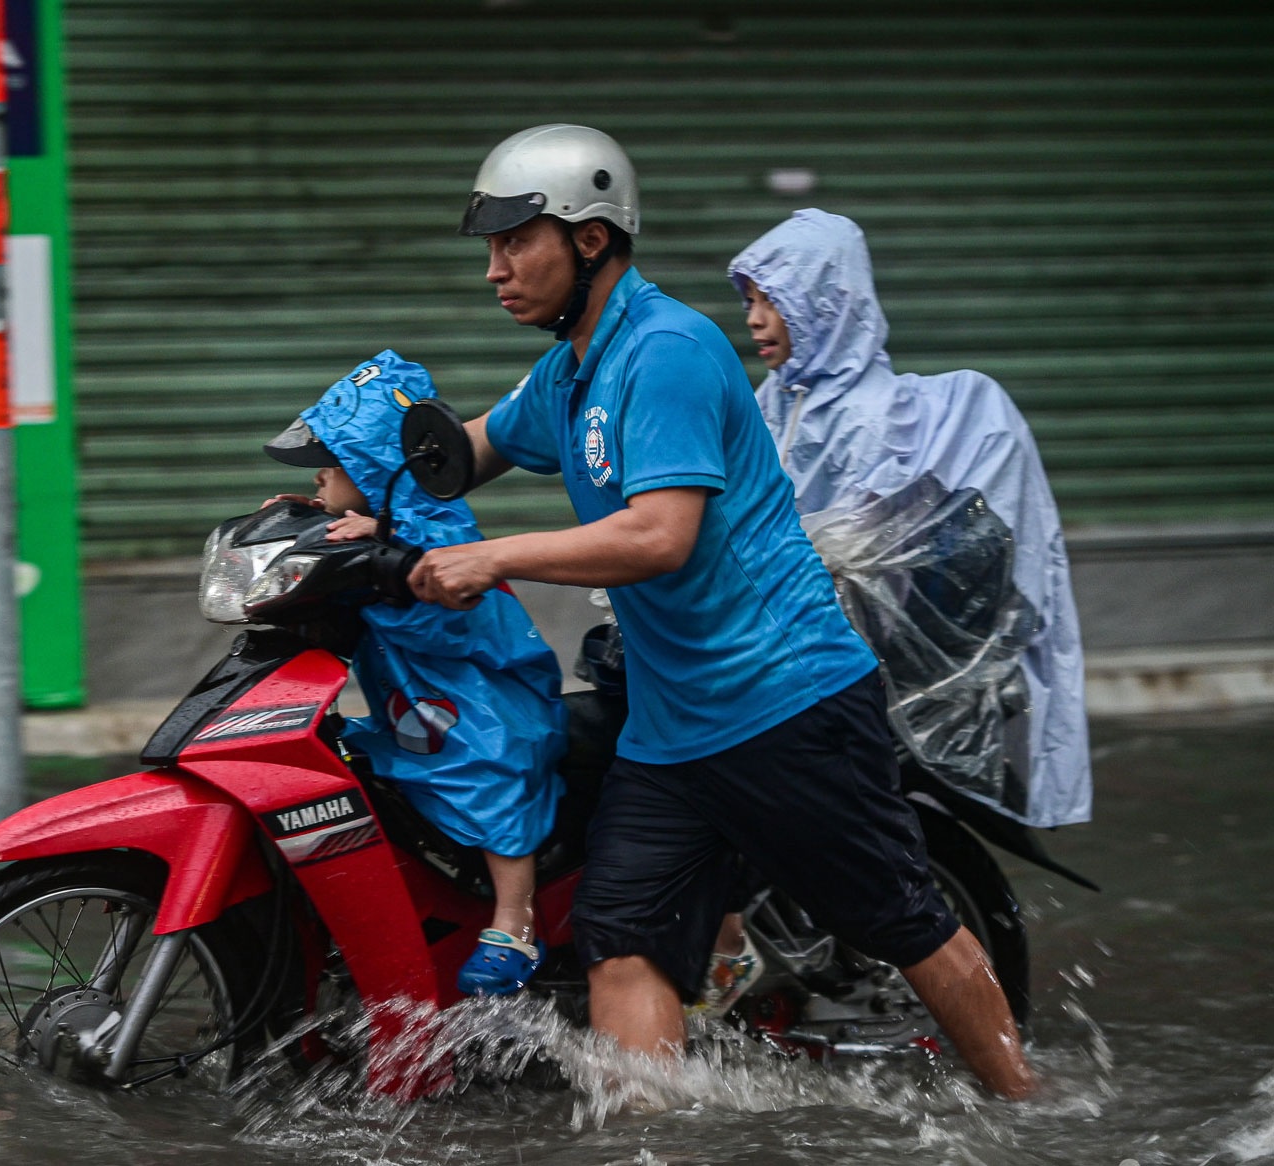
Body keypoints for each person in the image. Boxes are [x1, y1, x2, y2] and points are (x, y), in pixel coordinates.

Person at [407, 124, 1038, 1098]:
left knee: (898, 916)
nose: (493, 269)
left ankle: (1025, 1112)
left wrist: (492, 555)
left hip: (784, 704)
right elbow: (469, 448)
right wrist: (341, 493)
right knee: (622, 942)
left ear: (587, 240)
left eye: (513, 241)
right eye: (488, 248)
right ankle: (646, 1141)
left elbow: (659, 534)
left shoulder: (665, 352)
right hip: (673, 736)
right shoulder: (570, 369)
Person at [726, 207, 1091, 829]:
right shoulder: (774, 400)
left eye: (774, 301)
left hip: (837, 668)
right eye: (751, 300)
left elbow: (866, 557)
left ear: (824, 302)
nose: (755, 319)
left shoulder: (874, 416)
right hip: (783, 648)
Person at [263, 349, 567, 996]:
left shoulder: (438, 528)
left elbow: (441, 611)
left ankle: (515, 920)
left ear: (376, 469)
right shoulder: (370, 520)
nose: (319, 476)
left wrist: (389, 552)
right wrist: (300, 525)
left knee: (495, 774)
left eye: (330, 464)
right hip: (417, 704)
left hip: (484, 699)